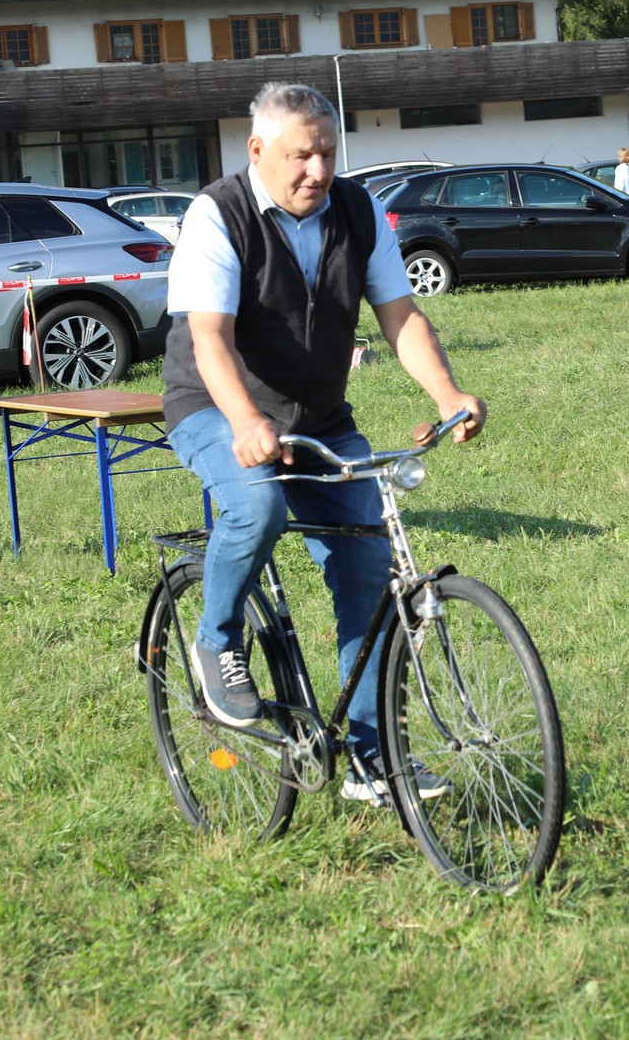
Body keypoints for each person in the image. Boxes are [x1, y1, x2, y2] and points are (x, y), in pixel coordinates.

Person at [162, 81, 485, 804]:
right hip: (215, 405)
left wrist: (448, 394)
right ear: (257, 151)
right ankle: (217, 641)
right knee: (257, 507)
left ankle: (373, 757)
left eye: (328, 153)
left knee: (367, 565)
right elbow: (209, 339)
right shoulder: (218, 214)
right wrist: (247, 421)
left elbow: (400, 316)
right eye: (301, 156)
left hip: (319, 416)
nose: (318, 170)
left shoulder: (358, 211)